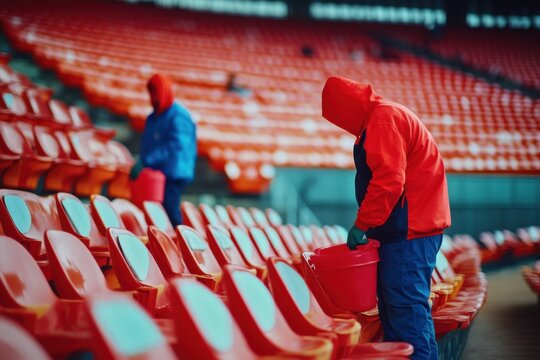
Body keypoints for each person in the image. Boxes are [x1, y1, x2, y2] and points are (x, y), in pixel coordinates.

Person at [321, 76, 451, 360]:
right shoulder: (384, 115)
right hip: (410, 228)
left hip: (409, 230)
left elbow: (389, 180)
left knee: (404, 309)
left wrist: (361, 224)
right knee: (398, 310)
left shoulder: (382, 119)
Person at [130, 74, 197, 226]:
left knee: (170, 209)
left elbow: (175, 145)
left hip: (173, 172)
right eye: (151, 93)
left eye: (155, 92)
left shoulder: (178, 115)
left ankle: (178, 246)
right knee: (155, 211)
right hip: (158, 172)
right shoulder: (154, 116)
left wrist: (147, 160)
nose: (152, 97)